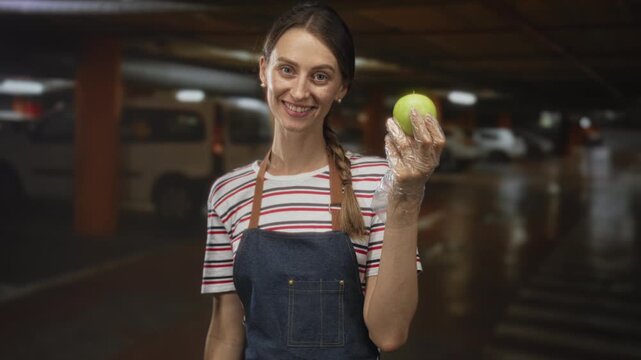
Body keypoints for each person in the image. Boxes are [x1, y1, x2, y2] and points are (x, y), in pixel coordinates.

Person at [201, 2, 444, 359]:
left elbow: (389, 333)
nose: (299, 92)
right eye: (287, 70)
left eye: (320, 76)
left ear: (341, 87)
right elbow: (225, 332)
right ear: (263, 70)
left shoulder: (379, 183)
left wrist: (406, 198)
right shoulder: (228, 194)